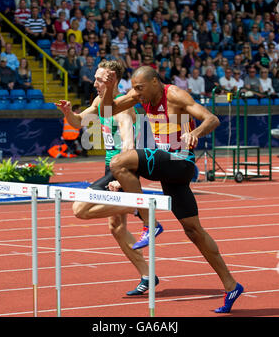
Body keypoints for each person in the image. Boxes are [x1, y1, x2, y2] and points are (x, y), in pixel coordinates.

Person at [98, 65, 244, 313]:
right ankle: (232, 285)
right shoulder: (138, 95)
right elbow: (105, 110)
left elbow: (212, 118)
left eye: (141, 88)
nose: (137, 94)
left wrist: (195, 132)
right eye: (134, 89)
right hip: (168, 169)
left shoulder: (173, 94)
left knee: (119, 162)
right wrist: (111, 88)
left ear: (155, 82)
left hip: (181, 163)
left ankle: (149, 223)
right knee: (193, 230)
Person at [55, 60, 162, 295]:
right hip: (110, 167)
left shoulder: (123, 107)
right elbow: (78, 122)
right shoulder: (98, 102)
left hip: (122, 168)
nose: (94, 83)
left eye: (100, 79)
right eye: (95, 78)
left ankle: (135, 209)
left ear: (112, 80)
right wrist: (68, 113)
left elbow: (128, 143)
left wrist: (120, 177)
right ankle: (147, 275)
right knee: (116, 228)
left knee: (80, 209)